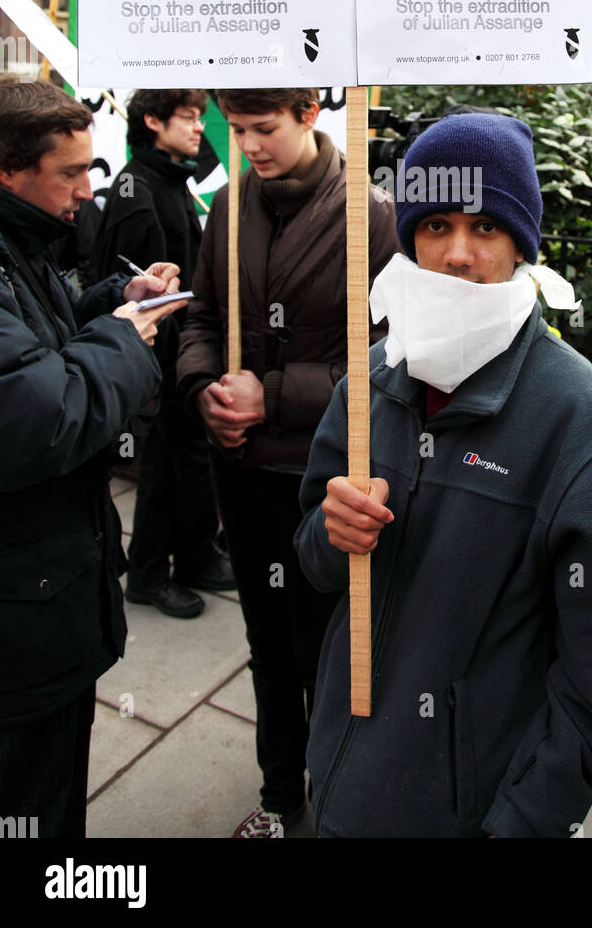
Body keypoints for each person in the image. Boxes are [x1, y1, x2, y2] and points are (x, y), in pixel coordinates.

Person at [295, 112, 592, 838]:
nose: (457, 254)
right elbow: (310, 564)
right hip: (336, 779)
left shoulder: (581, 424)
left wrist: (525, 818)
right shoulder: (366, 387)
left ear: (522, 245)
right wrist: (332, 535)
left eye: (486, 228)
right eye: (435, 226)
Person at [176, 87, 399, 838]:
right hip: (241, 474)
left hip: (320, 474)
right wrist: (205, 387)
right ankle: (281, 795)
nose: (248, 146)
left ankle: (340, 788)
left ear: (309, 112)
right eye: (235, 130)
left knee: (329, 647)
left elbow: (380, 361)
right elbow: (204, 317)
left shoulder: (367, 212)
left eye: (263, 128)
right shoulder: (227, 207)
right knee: (268, 643)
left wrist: (267, 395)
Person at [0, 77, 183, 838]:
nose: (87, 188)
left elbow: (36, 337)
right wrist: (124, 337)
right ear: (7, 169)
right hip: (18, 614)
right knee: (29, 803)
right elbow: (44, 414)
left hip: (38, 590)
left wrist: (112, 299)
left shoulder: (19, 238)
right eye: (69, 173)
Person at [95, 89, 235, 619]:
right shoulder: (138, 190)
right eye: (188, 117)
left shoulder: (171, 180)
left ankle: (194, 557)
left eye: (201, 117)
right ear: (153, 121)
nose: (199, 128)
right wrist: (172, 362)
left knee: (188, 461)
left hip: (184, 355)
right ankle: (149, 575)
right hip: (161, 362)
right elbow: (130, 286)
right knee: (165, 465)